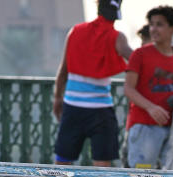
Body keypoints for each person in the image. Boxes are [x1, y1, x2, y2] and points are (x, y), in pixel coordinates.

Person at [52, 0, 131, 167]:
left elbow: (64, 69)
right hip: (100, 110)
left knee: (62, 162)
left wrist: (57, 97)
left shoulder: (76, 31)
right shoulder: (117, 37)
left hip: (72, 106)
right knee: (102, 167)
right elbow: (137, 60)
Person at [123, 5, 173, 169]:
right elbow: (128, 89)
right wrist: (151, 108)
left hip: (171, 128)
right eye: (152, 24)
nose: (153, 29)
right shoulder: (140, 55)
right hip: (144, 126)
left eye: (160, 24)